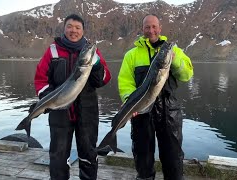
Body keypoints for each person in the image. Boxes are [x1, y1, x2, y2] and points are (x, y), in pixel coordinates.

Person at [34, 14, 111, 180]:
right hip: (59, 113)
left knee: (89, 155)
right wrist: (48, 98)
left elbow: (103, 79)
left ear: (83, 31)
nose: (73, 30)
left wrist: (96, 65)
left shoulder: (92, 51)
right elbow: (40, 79)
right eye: (69, 26)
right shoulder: (53, 50)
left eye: (77, 28)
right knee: (58, 157)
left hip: (88, 113)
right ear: (64, 28)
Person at [117, 14, 193, 180]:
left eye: (154, 27)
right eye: (147, 27)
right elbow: (125, 82)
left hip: (169, 111)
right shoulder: (132, 55)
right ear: (142, 29)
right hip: (141, 111)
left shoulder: (173, 50)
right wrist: (131, 102)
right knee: (142, 155)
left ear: (160, 28)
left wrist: (175, 59)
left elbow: (187, 74)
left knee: (173, 157)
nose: (151, 30)